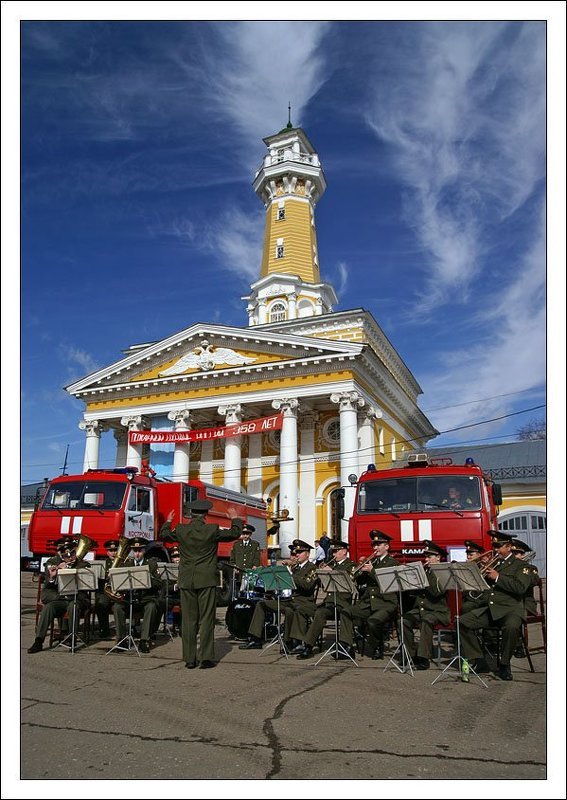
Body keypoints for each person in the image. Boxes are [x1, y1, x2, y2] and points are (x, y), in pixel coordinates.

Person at [160, 500, 244, 668]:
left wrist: (168, 521)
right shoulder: (212, 529)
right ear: (205, 514)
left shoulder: (182, 530)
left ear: (191, 514)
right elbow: (235, 533)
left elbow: (164, 535)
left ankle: (190, 659)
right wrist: (235, 518)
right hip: (206, 579)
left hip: (186, 579)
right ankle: (206, 658)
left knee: (189, 620)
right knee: (206, 618)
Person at [459, 531, 534, 680]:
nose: (495, 549)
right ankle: (480, 660)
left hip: (510, 609)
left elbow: (520, 588)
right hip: (493, 608)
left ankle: (505, 664)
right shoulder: (496, 563)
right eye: (494, 546)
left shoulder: (522, 566)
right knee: (462, 622)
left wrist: (497, 577)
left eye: (498, 546)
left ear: (509, 547)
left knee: (512, 627)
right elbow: (488, 589)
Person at [239, 540, 319, 651]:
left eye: (300, 552)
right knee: (262, 604)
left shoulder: (312, 568)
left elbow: (307, 585)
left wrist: (289, 574)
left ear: (308, 554)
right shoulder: (295, 568)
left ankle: (290, 642)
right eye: (295, 553)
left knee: (291, 611)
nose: (297, 555)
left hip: (303, 602)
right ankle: (255, 638)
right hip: (289, 600)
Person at [340, 530, 400, 660]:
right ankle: (347, 647)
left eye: (378, 545)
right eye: (374, 545)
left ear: (387, 547)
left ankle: (378, 646)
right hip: (368, 602)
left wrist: (372, 571)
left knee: (373, 621)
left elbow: (388, 582)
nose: (375, 548)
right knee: (346, 612)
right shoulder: (374, 562)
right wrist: (360, 572)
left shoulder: (392, 563)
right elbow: (361, 582)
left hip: (386, 602)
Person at [295, 540, 356, 660]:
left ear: (344, 551)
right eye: (333, 552)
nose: (333, 555)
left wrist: (331, 572)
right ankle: (308, 645)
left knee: (324, 612)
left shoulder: (351, 565)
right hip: (329, 603)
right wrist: (319, 575)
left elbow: (349, 584)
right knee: (317, 612)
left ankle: (345, 646)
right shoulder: (333, 565)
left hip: (342, 603)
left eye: (336, 552)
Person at [28, 539, 92, 654]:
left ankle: (71, 637)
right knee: (48, 607)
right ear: (62, 556)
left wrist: (73, 570)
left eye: (72, 554)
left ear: (75, 552)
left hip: (76, 598)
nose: (70, 558)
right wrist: (53, 576)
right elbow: (48, 585)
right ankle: (38, 641)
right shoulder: (55, 564)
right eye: (66, 556)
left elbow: (89, 585)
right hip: (61, 599)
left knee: (74, 606)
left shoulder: (83, 564)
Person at [402, 540, 450, 670]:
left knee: (426, 621)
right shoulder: (426, 571)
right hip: (421, 609)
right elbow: (414, 593)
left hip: (437, 611)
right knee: (403, 620)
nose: (426, 559)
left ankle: (424, 657)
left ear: (438, 557)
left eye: (429, 556)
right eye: (426, 556)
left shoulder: (444, 571)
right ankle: (410, 655)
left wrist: (422, 577)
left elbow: (436, 592)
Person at [112, 537, 164, 654]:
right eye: (135, 551)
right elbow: (118, 584)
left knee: (151, 607)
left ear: (144, 551)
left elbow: (159, 583)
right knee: (117, 607)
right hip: (130, 598)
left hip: (145, 599)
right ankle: (121, 639)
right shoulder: (127, 565)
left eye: (140, 551)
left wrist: (147, 578)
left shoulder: (151, 564)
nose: (137, 554)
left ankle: (144, 640)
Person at [93, 539, 120, 638]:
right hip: (107, 592)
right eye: (111, 551)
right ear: (107, 552)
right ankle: (104, 629)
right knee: (101, 603)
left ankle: (122, 631)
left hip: (120, 591)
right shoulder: (103, 564)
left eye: (115, 550)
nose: (113, 553)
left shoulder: (124, 562)